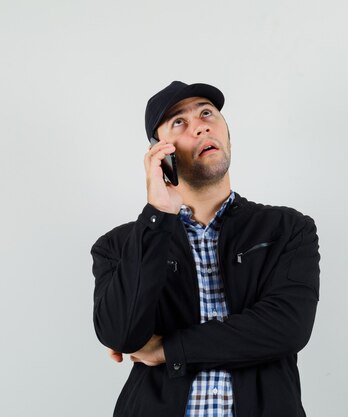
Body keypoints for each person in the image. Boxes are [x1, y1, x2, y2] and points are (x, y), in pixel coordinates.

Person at [90, 81, 320, 417]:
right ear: (160, 152)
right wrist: (157, 217)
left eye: (207, 113)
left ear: (227, 133)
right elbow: (121, 334)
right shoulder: (118, 246)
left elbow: (286, 327)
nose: (200, 125)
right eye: (179, 122)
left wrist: (169, 348)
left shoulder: (287, 229)